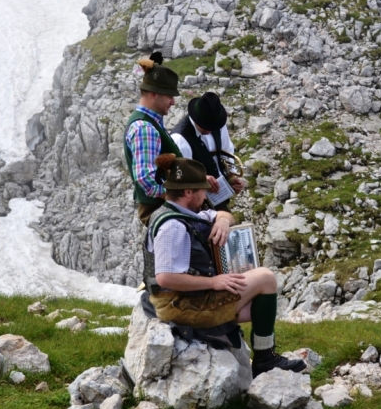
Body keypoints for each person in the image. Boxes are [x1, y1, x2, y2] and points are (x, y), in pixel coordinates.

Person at [143, 154, 306, 378]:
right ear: (188, 192)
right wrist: (214, 282)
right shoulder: (173, 227)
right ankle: (264, 359)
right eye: (202, 190)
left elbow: (224, 214)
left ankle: (264, 355)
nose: (206, 195)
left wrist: (222, 221)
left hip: (186, 299)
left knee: (261, 305)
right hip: (179, 305)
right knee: (265, 278)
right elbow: (165, 277)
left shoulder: (180, 213)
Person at [123, 52, 182, 226]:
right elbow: (146, 179)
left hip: (165, 209)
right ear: (154, 94)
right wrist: (179, 198)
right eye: (169, 96)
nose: (173, 102)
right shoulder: (145, 128)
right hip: (162, 211)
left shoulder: (150, 122)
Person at [170, 92, 244, 212]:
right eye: (205, 126)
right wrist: (201, 178)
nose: (209, 131)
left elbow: (227, 151)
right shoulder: (180, 138)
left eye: (212, 127)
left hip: (218, 197)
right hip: (195, 204)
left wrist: (231, 177)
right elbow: (180, 176)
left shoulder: (217, 124)